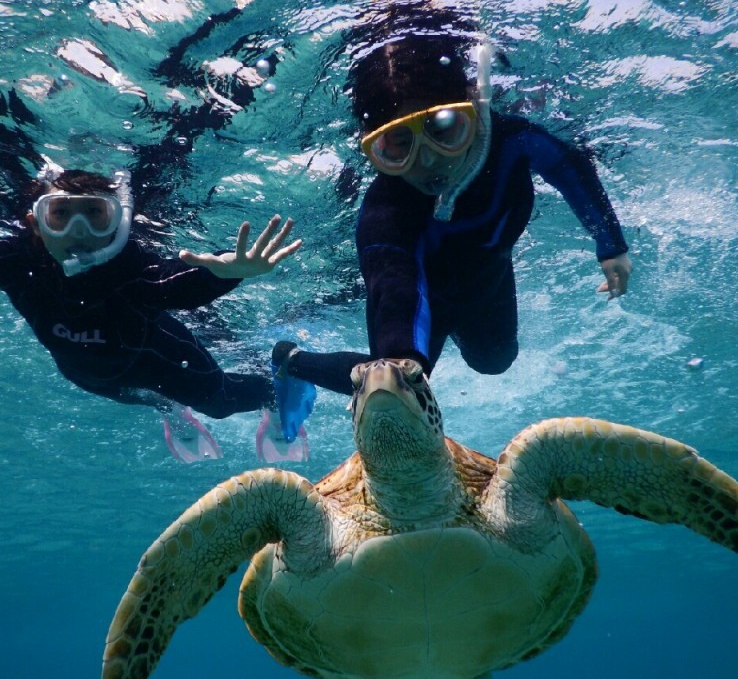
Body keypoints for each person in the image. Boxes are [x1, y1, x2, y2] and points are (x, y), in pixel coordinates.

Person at [0, 165, 315, 463]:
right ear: (36, 221)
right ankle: (170, 414)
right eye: (61, 214)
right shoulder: (17, 259)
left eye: (95, 215)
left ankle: (277, 388)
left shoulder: (132, 267)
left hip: (164, 358)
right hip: (87, 374)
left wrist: (231, 272)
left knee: (221, 403)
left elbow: (176, 286)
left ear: (118, 222)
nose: (77, 230)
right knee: (142, 401)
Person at [271, 30, 632, 407]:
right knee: (395, 385)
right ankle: (291, 361)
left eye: (443, 126)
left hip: (487, 284)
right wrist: (399, 363)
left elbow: (569, 165)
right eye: (399, 142)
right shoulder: (386, 214)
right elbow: (396, 287)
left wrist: (610, 244)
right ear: (374, 148)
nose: (428, 159)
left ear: (474, 105)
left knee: (495, 362)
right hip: (420, 301)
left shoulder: (511, 141)